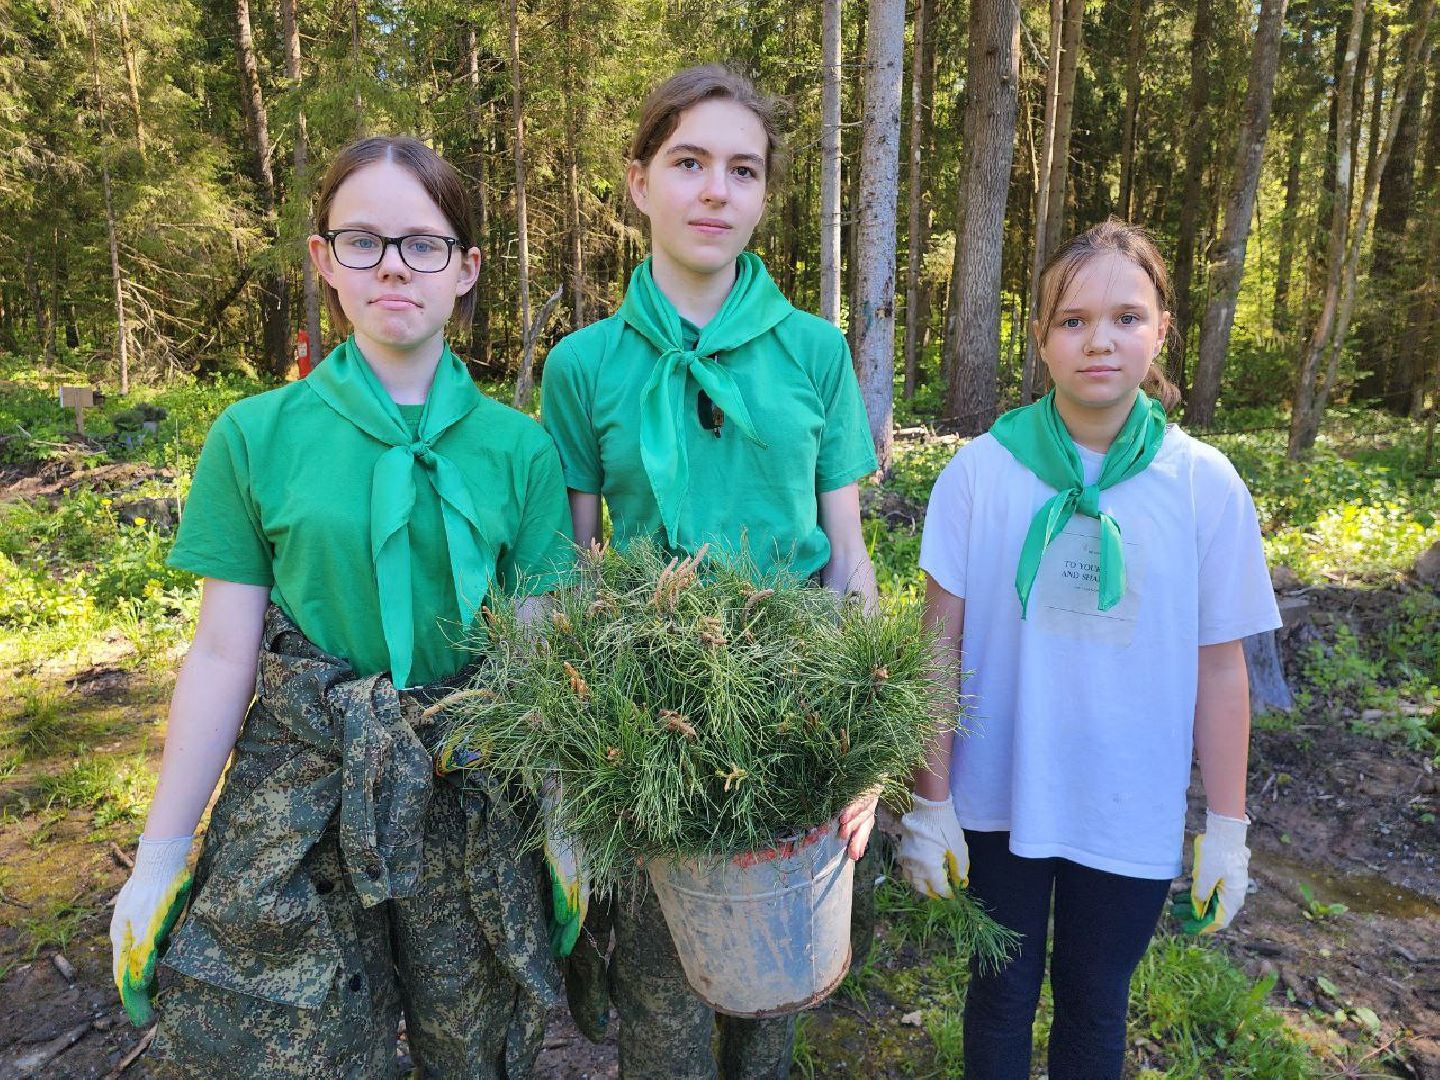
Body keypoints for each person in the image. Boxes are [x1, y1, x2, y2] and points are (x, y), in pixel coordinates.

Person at [107, 135, 575, 1079]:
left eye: (423, 243)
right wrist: (162, 851)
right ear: (324, 259)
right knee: (303, 1048)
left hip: (468, 785)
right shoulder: (254, 436)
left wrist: (562, 812)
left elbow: (535, 651)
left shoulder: (520, 451)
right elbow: (221, 654)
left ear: (466, 269)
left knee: (476, 1047)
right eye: (362, 240)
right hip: (307, 791)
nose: (394, 264)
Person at [539, 65, 882, 1079]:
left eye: (742, 169)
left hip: (794, 713)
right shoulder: (584, 365)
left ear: (766, 193)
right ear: (641, 181)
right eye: (689, 162)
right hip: (651, 726)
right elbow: (571, 571)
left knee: (772, 1003)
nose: (715, 191)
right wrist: (579, 768)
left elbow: (849, 555)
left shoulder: (815, 354)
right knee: (663, 1009)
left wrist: (864, 748)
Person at [897, 218, 1280, 1079]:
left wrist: (1227, 829)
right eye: (1072, 321)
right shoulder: (980, 476)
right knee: (998, 995)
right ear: (1040, 339)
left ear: (1161, 332)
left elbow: (1221, 671)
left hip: (1126, 801)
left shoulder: (1205, 486)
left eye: (1126, 317)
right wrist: (930, 800)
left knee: (1096, 1004)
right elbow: (937, 650)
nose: (1098, 341)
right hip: (997, 798)